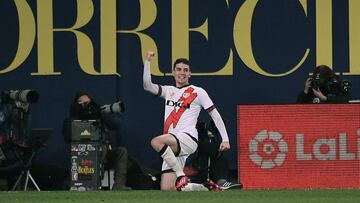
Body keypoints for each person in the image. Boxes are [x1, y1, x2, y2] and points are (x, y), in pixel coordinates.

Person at [142, 51, 230, 191]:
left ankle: (180, 175)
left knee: (156, 141)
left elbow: (215, 115)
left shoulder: (198, 91)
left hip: (187, 138)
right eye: (178, 69)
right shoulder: (168, 91)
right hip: (172, 145)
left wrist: (225, 139)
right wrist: (147, 62)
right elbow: (147, 85)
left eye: (185, 70)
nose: (182, 73)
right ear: (173, 72)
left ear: (190, 74)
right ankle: (206, 187)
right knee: (167, 189)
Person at [62, 90, 131, 191]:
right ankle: (94, 184)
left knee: (121, 151)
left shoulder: (99, 115)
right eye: (83, 103)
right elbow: (67, 136)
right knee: (100, 148)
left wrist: (103, 114)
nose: (87, 106)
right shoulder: (71, 119)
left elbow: (115, 125)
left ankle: (119, 185)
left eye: (88, 103)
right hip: (82, 155)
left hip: (104, 153)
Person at [184, 120, 242, 190]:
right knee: (212, 150)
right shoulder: (180, 131)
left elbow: (215, 151)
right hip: (185, 168)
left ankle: (222, 182)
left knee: (218, 156)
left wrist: (209, 128)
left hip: (200, 168)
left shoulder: (200, 129)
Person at [0, 95, 31, 190]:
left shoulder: (19, 113)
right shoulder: (7, 110)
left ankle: (16, 189)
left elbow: (25, 130)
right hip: (4, 150)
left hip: (14, 149)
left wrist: (26, 112)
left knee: (24, 160)